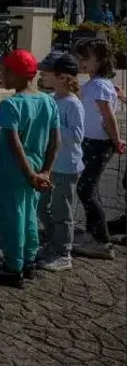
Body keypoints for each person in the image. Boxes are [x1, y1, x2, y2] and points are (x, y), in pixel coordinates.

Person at [0, 49, 57, 287]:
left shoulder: (11, 104)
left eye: (3, 71)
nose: (0, 76)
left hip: (13, 174)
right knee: (30, 216)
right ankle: (29, 260)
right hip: (37, 172)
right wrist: (45, 171)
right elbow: (55, 140)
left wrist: (29, 173)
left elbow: (14, 142)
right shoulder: (48, 101)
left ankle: (13, 267)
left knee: (12, 219)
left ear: (14, 74)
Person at [73, 39, 124, 260]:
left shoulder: (100, 85)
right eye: (79, 57)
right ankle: (93, 232)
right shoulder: (96, 83)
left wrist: (117, 139)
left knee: (86, 189)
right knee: (87, 188)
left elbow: (108, 116)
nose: (81, 62)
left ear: (101, 60)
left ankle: (101, 241)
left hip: (99, 143)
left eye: (85, 58)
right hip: (92, 142)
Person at [36, 54, 85, 272]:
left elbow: (77, 135)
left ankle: (64, 253)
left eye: (46, 73)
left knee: (62, 211)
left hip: (66, 167)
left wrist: (54, 126)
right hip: (51, 165)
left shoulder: (73, 104)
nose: (41, 75)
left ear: (63, 77)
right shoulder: (52, 98)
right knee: (42, 207)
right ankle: (53, 242)